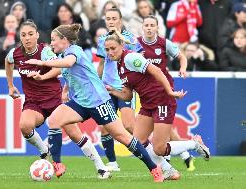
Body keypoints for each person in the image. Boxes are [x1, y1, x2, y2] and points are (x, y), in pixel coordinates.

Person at [25, 23, 165, 183]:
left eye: (54, 40)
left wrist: (42, 63)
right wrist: (50, 81)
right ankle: (57, 164)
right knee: (55, 120)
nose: (52, 43)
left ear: (64, 40)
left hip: (99, 101)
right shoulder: (63, 55)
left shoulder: (74, 51)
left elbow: (69, 64)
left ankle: (154, 168)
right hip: (81, 102)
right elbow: (69, 72)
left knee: (123, 136)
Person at [5, 20, 111, 179]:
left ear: (37, 35)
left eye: (30, 34)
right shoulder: (15, 53)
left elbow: (58, 69)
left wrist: (42, 77)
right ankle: (44, 150)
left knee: (74, 133)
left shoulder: (45, 52)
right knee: (24, 126)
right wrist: (11, 85)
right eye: (23, 35)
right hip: (34, 101)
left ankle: (101, 167)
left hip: (53, 99)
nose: (27, 38)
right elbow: (8, 62)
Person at [104, 28, 211, 177]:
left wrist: (169, 91)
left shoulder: (131, 58)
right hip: (147, 104)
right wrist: (112, 91)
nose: (110, 52)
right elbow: (128, 96)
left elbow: (157, 71)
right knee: (137, 143)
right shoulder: (119, 66)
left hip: (161, 100)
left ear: (122, 45)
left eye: (113, 48)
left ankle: (194, 144)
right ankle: (169, 171)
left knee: (159, 148)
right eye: (107, 49)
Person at [96, 7, 141, 171]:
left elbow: (138, 59)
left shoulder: (129, 39)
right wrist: (96, 83)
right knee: (105, 127)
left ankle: (153, 153)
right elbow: (101, 63)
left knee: (129, 126)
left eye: (114, 18)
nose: (111, 21)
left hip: (124, 87)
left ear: (120, 20)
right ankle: (113, 163)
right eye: (108, 19)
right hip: (107, 88)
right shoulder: (102, 40)